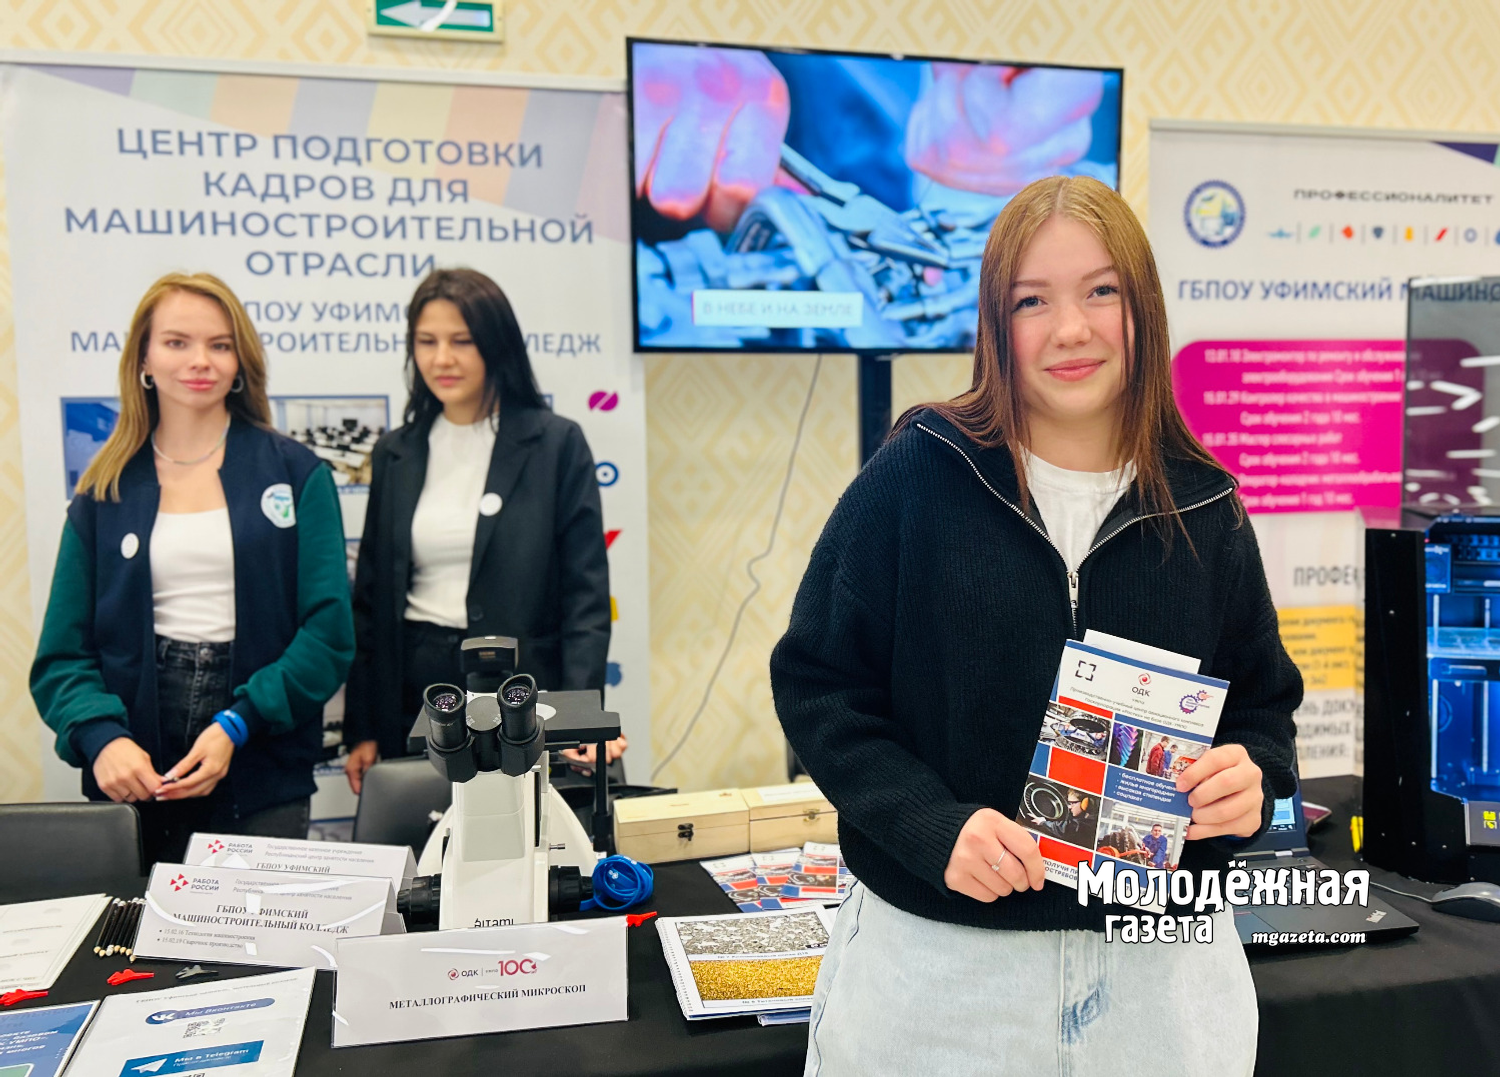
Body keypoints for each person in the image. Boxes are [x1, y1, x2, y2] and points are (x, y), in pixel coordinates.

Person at [770, 175, 1300, 1074]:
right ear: (994, 323)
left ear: (1144, 307)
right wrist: (930, 825)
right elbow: (820, 688)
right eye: (1032, 301)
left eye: (1101, 291)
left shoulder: (1206, 503)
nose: (1070, 329)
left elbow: (1261, 707)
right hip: (942, 976)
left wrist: (1251, 778)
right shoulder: (917, 476)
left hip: (1161, 986)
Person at [32, 273, 354, 867]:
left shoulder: (297, 473)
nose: (200, 360)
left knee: (261, 928)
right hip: (132, 772)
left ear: (240, 362)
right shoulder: (103, 490)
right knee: (131, 928)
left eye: (219, 345)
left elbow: (328, 634)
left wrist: (238, 723)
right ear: (144, 359)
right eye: (177, 342)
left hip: (261, 758)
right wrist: (101, 738)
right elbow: (61, 658)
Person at [342, 268, 620, 793]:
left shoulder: (556, 445)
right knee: (424, 834)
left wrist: (580, 716)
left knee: (522, 829)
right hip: (420, 689)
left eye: (462, 341)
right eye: (427, 342)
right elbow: (371, 602)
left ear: (497, 344)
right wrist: (363, 726)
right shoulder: (396, 451)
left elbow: (585, 599)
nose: (441, 359)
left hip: (520, 689)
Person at [1027, 790, 1095, 846]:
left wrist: (1043, 822)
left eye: (1073, 803)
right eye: (1069, 803)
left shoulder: (1088, 823)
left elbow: (1065, 829)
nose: (1069, 807)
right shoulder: (1085, 818)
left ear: (1085, 803)